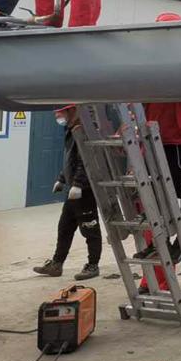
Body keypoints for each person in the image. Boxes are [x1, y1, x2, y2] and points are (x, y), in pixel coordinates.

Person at [138, 11, 181, 294]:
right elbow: (140, 100)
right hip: (154, 138)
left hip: (178, 139)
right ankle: (158, 257)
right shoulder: (152, 62)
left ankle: (179, 242)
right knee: (152, 201)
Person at [33, 106, 102, 280]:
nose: (58, 117)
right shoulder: (71, 130)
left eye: (61, 113)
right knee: (64, 228)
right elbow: (70, 160)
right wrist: (62, 179)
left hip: (85, 191)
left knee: (90, 229)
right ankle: (57, 264)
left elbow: (86, 161)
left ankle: (93, 265)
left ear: (72, 112)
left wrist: (78, 184)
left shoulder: (85, 131)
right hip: (73, 191)